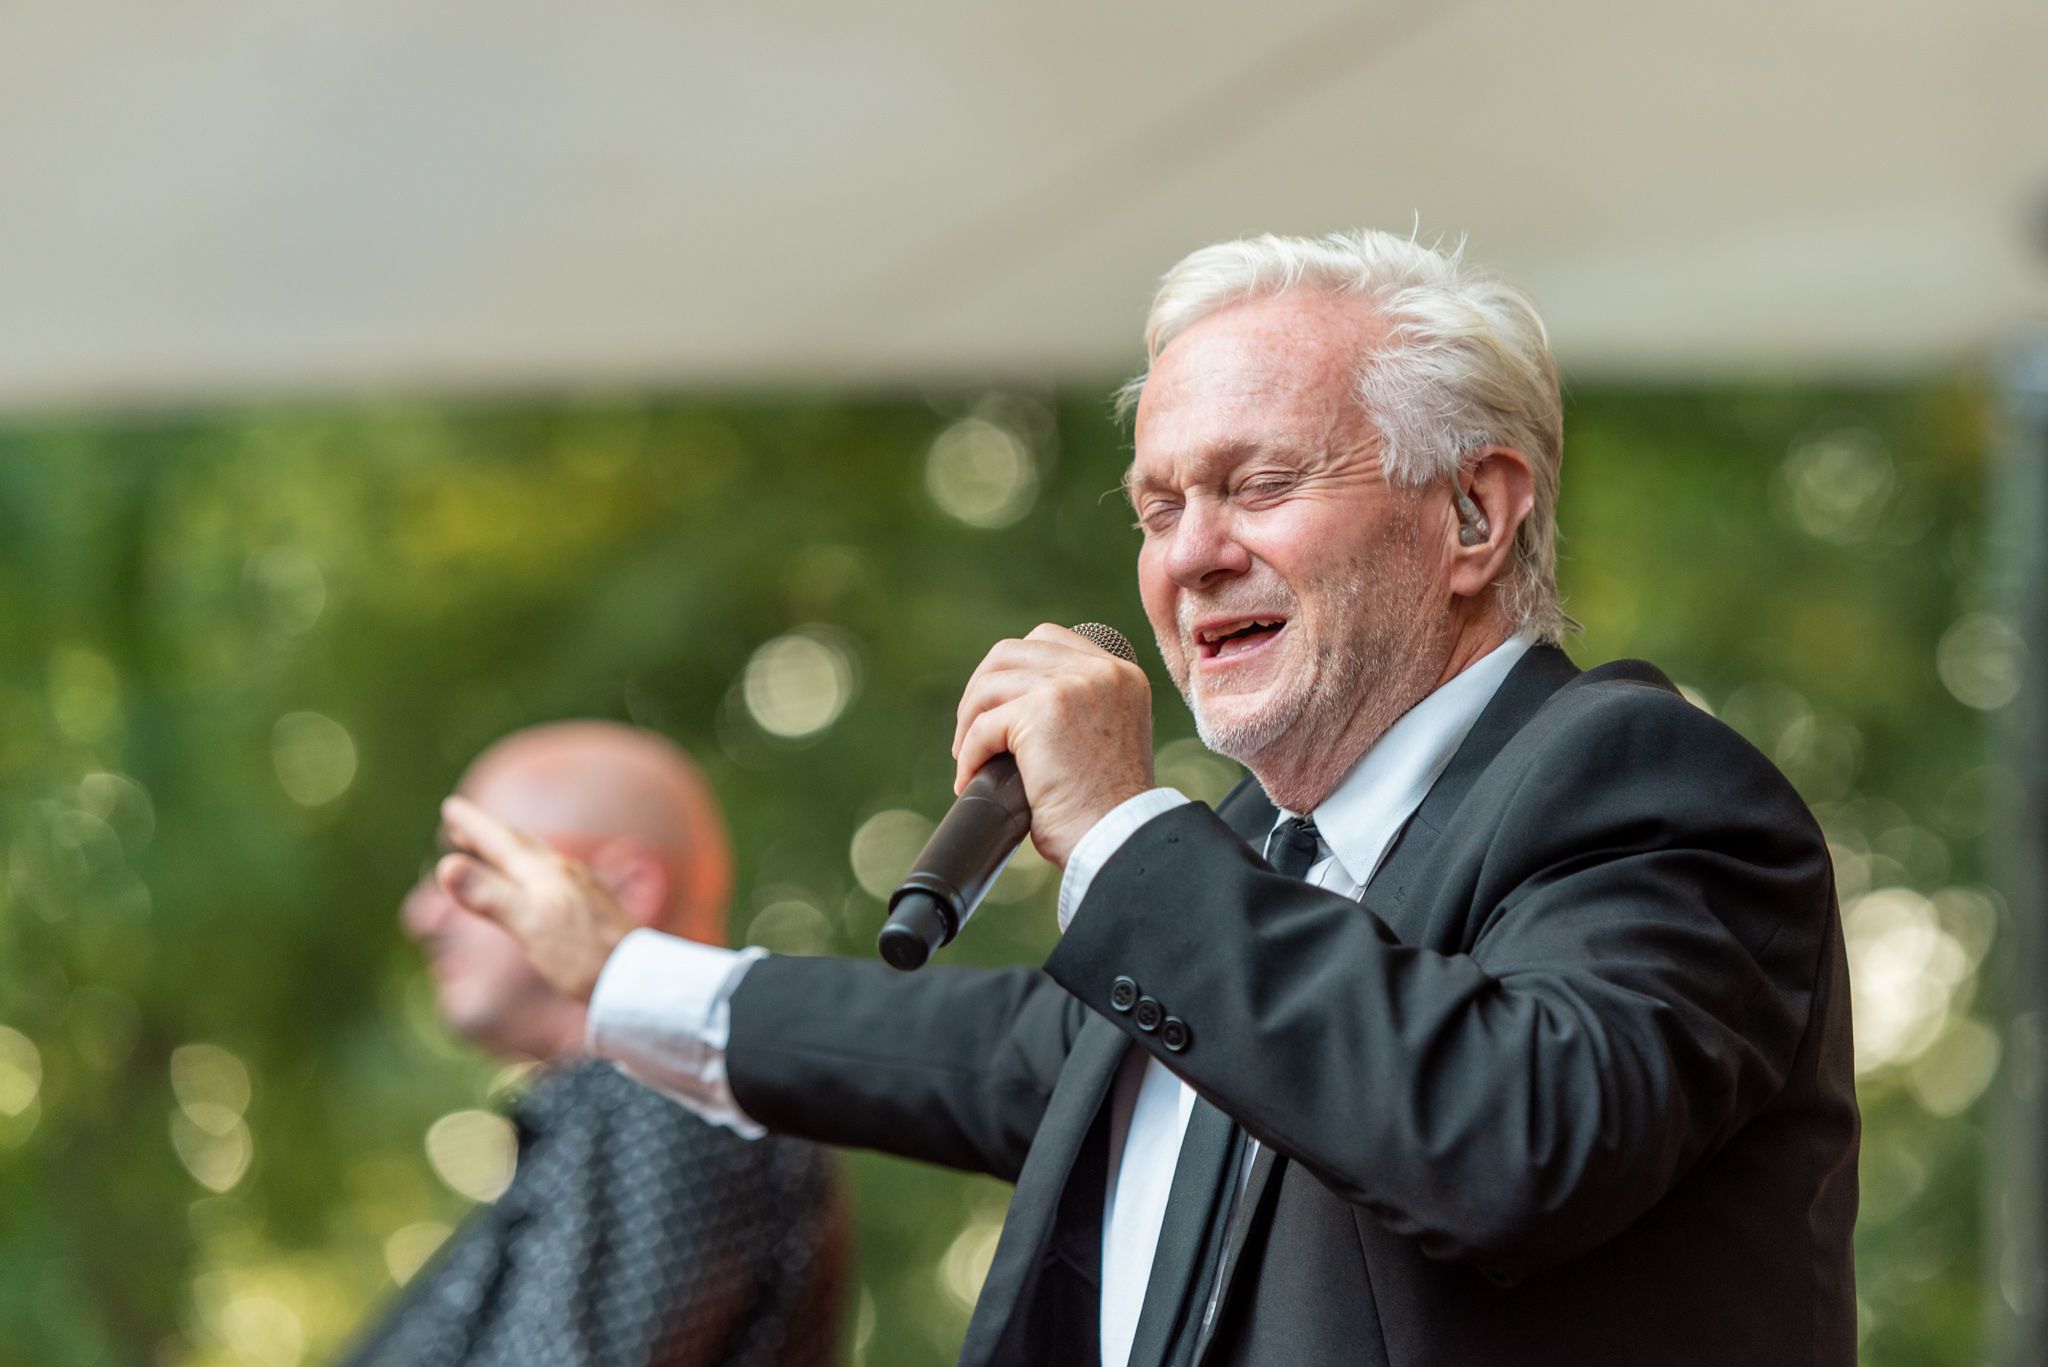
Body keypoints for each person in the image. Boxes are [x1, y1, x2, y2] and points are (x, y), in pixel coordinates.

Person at [436, 231, 1859, 1366]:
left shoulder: (1637, 780)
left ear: (1472, 512)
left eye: (1258, 483)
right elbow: (969, 1050)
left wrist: (1122, 830)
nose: (1191, 556)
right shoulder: (1249, 868)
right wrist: (619, 969)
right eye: (1159, 506)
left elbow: (1520, 1133)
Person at [346, 721, 846, 1367]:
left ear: (626, 889)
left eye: (475, 866)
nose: (423, 913)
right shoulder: (622, 1113)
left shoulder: (678, 1094)